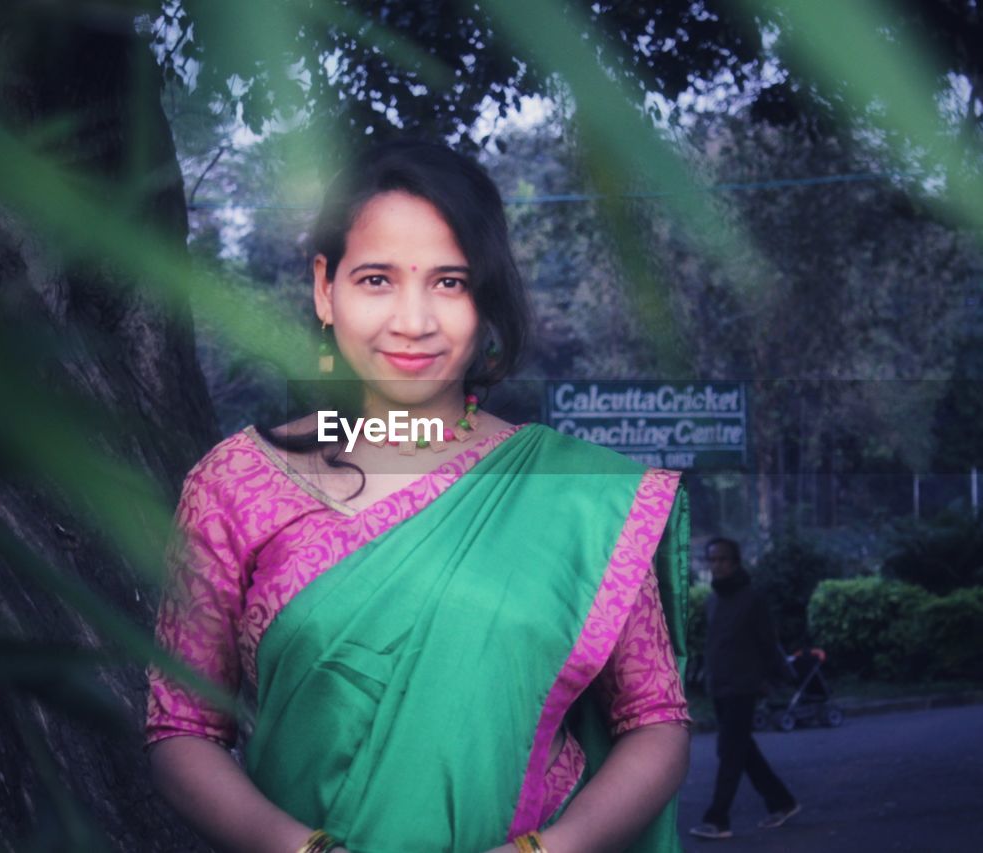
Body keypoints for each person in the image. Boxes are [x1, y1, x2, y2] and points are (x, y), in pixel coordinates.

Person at [144, 139, 694, 853]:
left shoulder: (576, 495)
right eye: (376, 279)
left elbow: (656, 717)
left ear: (486, 298)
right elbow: (180, 727)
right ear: (324, 288)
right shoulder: (235, 484)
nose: (413, 320)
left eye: (450, 282)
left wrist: (549, 852)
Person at [688, 537, 800, 840]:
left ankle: (717, 819)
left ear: (735, 562)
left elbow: (767, 642)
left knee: (730, 752)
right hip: (720, 686)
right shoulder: (713, 601)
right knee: (741, 749)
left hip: (743, 686)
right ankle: (782, 800)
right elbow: (715, 645)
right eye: (712, 560)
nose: (717, 565)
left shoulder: (752, 599)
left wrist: (776, 678)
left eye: (723, 559)